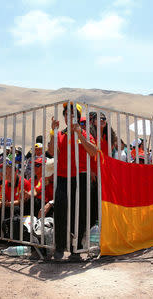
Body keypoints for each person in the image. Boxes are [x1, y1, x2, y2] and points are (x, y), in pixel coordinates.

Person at [48, 102, 98, 260]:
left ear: (76, 117)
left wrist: (80, 134)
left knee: (81, 213)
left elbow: (93, 151)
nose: (68, 117)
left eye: (72, 114)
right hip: (63, 177)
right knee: (61, 211)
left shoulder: (84, 133)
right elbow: (51, 152)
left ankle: (76, 248)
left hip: (81, 178)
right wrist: (52, 133)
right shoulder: (60, 134)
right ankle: (60, 247)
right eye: (66, 114)